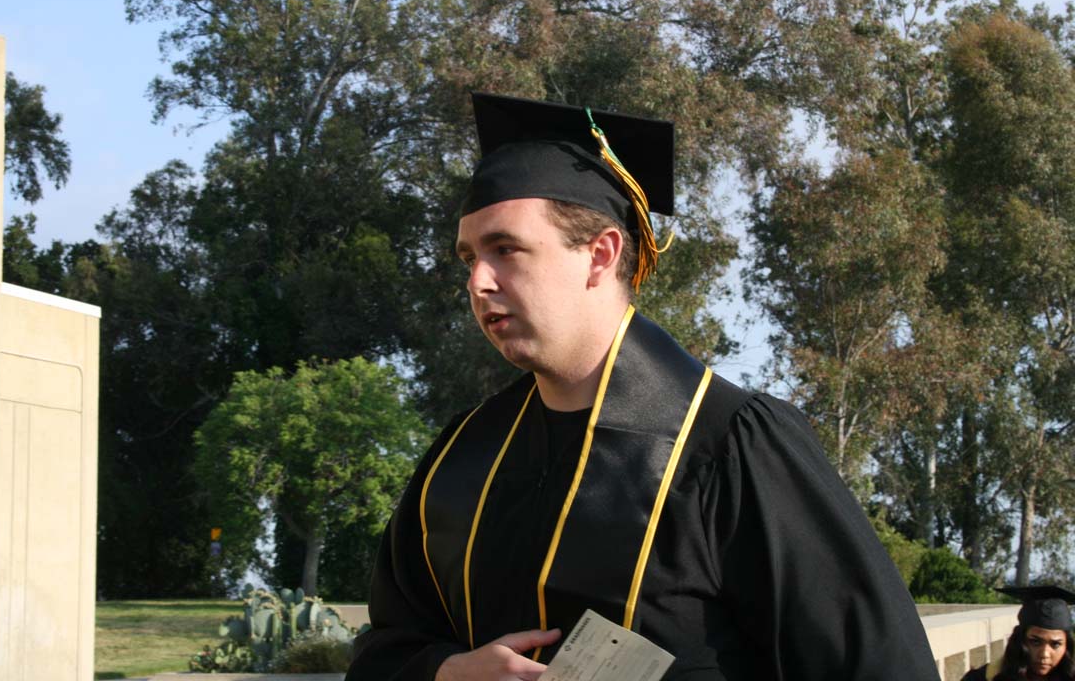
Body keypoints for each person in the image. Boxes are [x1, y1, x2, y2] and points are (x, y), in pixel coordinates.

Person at [345, 93, 938, 680]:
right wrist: (446, 672)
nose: (477, 281)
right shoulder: (461, 458)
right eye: (469, 256)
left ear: (600, 254)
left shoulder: (730, 446)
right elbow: (386, 646)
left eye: (506, 250)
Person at [962, 587, 1075, 681]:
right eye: (1035, 642)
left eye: (1055, 645)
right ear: (1020, 640)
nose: (1044, 654)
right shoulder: (982, 678)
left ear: (1067, 647)